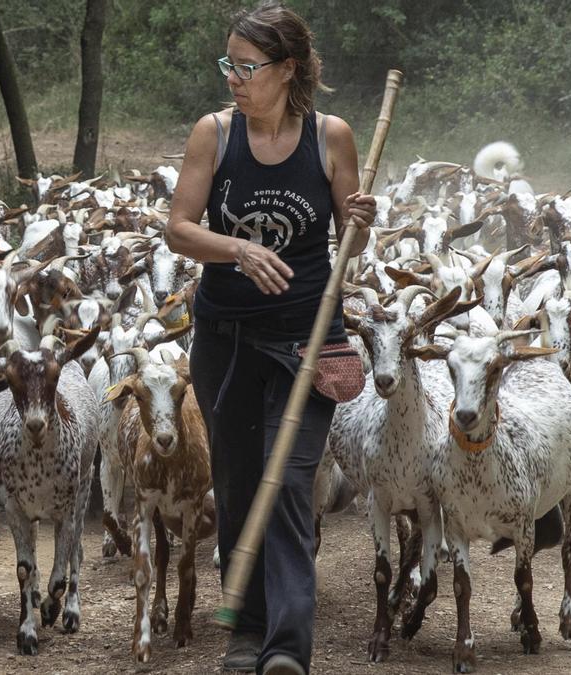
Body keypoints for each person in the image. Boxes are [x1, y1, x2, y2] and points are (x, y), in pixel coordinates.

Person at [165, 3, 377, 674]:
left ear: (287, 71)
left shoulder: (330, 138)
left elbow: (350, 240)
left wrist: (364, 220)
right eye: (228, 64)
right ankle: (246, 633)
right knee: (234, 482)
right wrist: (236, 250)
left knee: (287, 481)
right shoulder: (215, 135)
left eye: (247, 67)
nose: (233, 78)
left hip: (306, 340)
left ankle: (286, 646)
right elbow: (178, 228)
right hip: (224, 339)